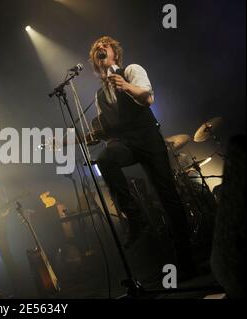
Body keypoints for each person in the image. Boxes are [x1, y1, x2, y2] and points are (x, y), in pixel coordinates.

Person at [87, 36, 195, 275]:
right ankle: (134, 216)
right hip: (126, 143)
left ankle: (185, 259)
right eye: (96, 49)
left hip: (148, 138)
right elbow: (107, 129)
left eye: (104, 47)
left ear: (114, 53)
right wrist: (69, 141)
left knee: (168, 196)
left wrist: (125, 85)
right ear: (95, 62)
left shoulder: (131, 70)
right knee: (105, 158)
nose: (99, 49)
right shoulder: (99, 95)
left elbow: (147, 98)